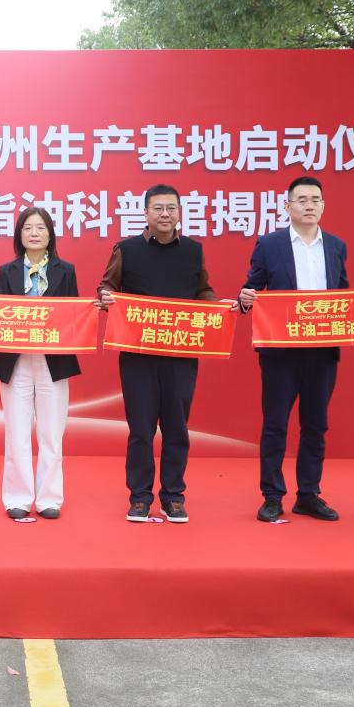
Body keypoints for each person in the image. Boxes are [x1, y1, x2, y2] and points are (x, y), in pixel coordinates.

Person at [98, 183, 225, 523]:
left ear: (180, 213)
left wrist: (217, 307)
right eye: (158, 208)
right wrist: (105, 297)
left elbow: (203, 290)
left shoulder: (193, 251)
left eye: (171, 208)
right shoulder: (127, 249)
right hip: (137, 355)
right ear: (146, 213)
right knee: (141, 429)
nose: (165, 214)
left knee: (176, 428)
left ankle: (173, 496)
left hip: (181, 354)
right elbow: (106, 286)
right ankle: (140, 497)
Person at [238, 175, 348, 523]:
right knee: (275, 425)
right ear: (287, 206)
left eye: (315, 199)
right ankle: (272, 496)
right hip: (281, 353)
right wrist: (244, 299)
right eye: (301, 200)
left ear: (323, 206)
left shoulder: (336, 246)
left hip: (322, 351)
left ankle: (308, 494)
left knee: (316, 425)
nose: (309, 205)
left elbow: (344, 294)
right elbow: (252, 287)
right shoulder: (270, 245)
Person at [0, 206, 82, 519]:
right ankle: (17, 497)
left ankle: (49, 498)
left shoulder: (66, 270)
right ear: (19, 235)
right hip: (15, 361)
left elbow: (73, 314)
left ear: (50, 234)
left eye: (40, 228)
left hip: (54, 360)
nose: (34, 233)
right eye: (28, 228)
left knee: (52, 432)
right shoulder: (6, 271)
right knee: (17, 432)